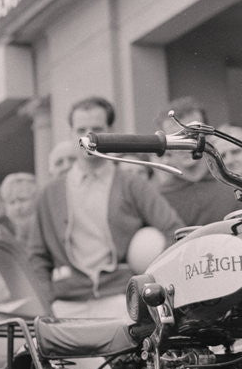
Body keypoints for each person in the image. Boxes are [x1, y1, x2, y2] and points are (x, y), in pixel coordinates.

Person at [28, 96, 183, 318]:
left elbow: (173, 230)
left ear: (111, 132)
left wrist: (150, 282)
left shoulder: (132, 184)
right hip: (66, 304)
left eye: (97, 129)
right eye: (81, 129)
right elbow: (37, 257)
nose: (89, 136)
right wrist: (47, 302)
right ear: (71, 134)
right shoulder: (50, 193)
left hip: (122, 298)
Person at [156, 97, 238, 226]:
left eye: (193, 135)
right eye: (176, 137)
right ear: (165, 145)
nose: (185, 143)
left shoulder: (234, 185)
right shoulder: (158, 199)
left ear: (208, 136)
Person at [0, 172, 38, 245]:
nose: (17, 207)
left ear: (36, 199)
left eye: (22, 200)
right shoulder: (5, 238)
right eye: (12, 202)